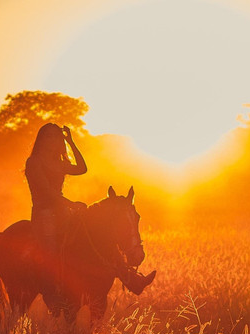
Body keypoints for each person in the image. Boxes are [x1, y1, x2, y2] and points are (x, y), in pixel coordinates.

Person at [24, 122, 154, 295]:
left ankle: (131, 279)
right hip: (44, 214)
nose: (53, 140)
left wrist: (70, 141)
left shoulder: (59, 162)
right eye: (49, 135)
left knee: (99, 237)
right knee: (52, 252)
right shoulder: (34, 162)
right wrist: (71, 204)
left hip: (64, 211)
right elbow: (47, 193)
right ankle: (53, 292)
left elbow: (81, 168)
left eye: (56, 136)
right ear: (41, 139)